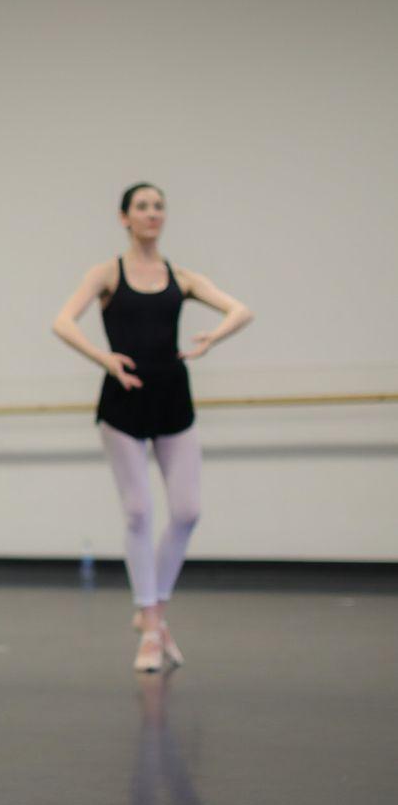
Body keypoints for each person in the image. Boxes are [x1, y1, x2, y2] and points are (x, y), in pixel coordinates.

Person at [52, 182, 252, 673]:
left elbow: (240, 310)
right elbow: (62, 321)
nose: (152, 214)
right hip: (123, 401)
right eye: (142, 206)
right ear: (125, 217)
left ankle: (153, 615)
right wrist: (104, 359)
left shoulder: (179, 276)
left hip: (173, 399)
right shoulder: (107, 274)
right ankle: (150, 619)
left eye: (159, 206)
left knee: (186, 511)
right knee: (139, 512)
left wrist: (211, 340)